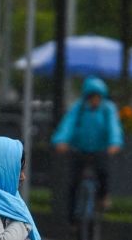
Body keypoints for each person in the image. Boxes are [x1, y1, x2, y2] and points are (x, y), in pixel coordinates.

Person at [51, 76, 123, 220]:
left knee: (103, 173)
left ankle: (103, 198)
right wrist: (61, 140)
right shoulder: (79, 108)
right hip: (80, 150)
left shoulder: (108, 109)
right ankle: (72, 217)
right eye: (91, 97)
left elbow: (113, 127)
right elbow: (68, 125)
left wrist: (114, 143)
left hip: (100, 150)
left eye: (97, 97)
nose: (94, 100)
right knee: (74, 182)